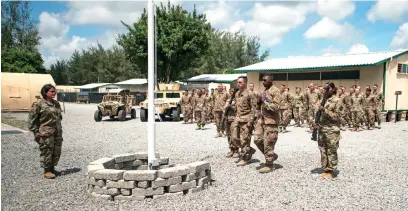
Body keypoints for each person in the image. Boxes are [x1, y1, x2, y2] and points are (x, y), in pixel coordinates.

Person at [28, 84, 63, 179]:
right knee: (47, 150)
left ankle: (52, 168)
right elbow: (32, 120)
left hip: (57, 131)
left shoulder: (56, 103)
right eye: (51, 91)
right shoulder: (39, 104)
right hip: (45, 133)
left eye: (54, 91)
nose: (54, 93)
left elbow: (59, 117)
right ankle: (46, 170)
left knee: (56, 150)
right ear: (45, 92)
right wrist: (35, 131)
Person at [312, 82, 341, 179]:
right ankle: (326, 169)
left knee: (331, 150)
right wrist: (314, 123)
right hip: (322, 129)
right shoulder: (322, 100)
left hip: (332, 130)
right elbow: (317, 114)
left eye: (326, 88)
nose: (324, 90)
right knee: (323, 149)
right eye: (323, 88)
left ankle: (331, 170)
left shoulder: (337, 100)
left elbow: (338, 116)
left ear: (332, 89)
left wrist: (325, 110)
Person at [254, 75, 282, 173]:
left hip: (271, 121)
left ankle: (269, 164)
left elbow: (276, 106)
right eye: (262, 80)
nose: (263, 82)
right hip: (262, 120)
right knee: (257, 139)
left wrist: (264, 101)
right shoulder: (264, 92)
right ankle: (271, 156)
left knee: (269, 142)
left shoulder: (276, 91)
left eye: (265, 80)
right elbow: (259, 105)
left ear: (271, 81)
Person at [231, 76, 257, 166]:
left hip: (246, 120)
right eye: (237, 82)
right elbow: (237, 107)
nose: (238, 84)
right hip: (238, 119)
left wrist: (251, 121)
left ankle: (245, 158)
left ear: (245, 83)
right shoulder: (237, 93)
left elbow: (254, 109)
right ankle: (249, 150)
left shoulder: (250, 94)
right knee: (234, 138)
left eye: (240, 82)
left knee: (244, 140)